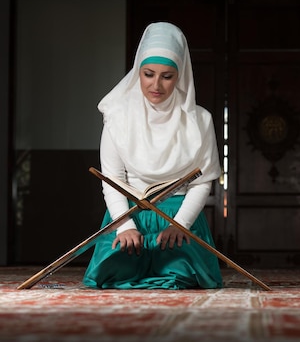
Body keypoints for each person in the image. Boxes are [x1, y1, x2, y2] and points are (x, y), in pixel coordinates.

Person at [83, 22, 223, 289]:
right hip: (128, 213)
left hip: (179, 216)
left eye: (167, 76)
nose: (156, 84)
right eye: (148, 74)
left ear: (180, 76)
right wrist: (124, 227)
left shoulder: (200, 120)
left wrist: (180, 225)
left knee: (181, 278)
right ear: (138, 73)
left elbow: (202, 181)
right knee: (114, 277)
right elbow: (112, 178)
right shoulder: (117, 116)